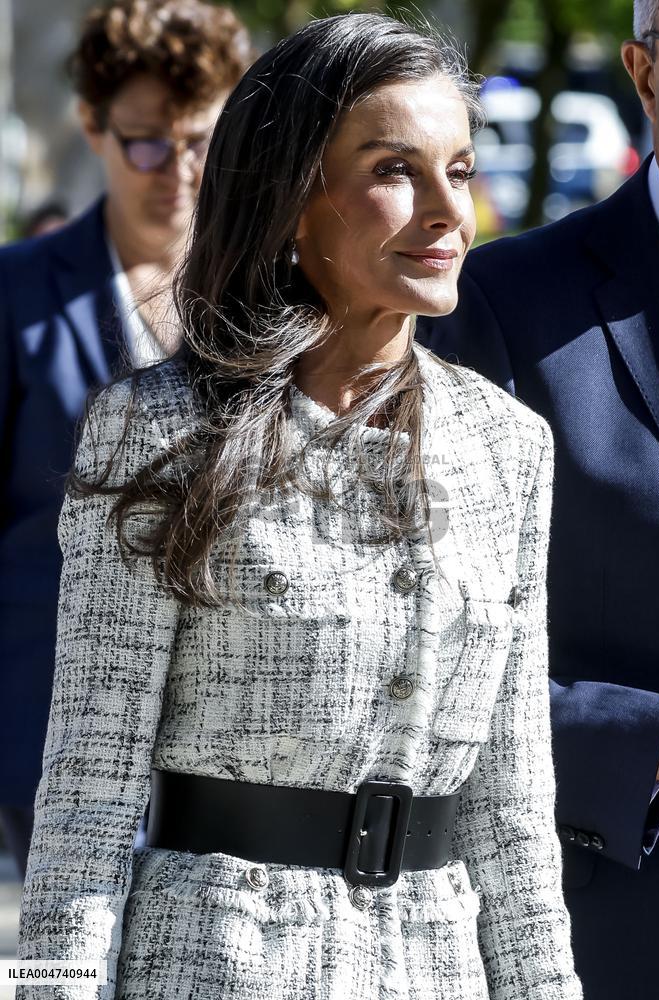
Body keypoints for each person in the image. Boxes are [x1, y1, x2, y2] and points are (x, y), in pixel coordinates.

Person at [15, 14, 582, 1000]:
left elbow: (514, 809)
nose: (448, 210)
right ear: (290, 197)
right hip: (213, 964)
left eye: (459, 169)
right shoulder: (157, 430)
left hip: (436, 969)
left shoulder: (509, 446)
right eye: (394, 169)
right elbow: (87, 797)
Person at [417, 2, 659, 998]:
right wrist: (647, 747)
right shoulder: (504, 303)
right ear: (642, 72)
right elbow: (428, 641)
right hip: (606, 923)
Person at [0, 0, 252, 880]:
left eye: (200, 142)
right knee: (75, 946)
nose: (178, 171)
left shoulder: (268, 296)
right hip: (53, 720)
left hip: (230, 722)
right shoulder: (16, 293)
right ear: (92, 126)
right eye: (147, 143)